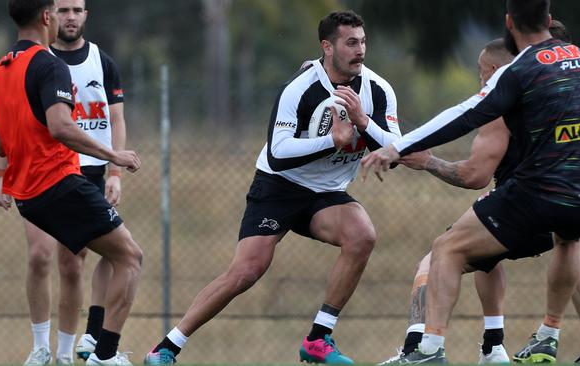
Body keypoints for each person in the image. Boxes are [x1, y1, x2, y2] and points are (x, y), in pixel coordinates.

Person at [361, 0, 580, 363]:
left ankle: (429, 350)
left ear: (509, 23)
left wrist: (398, 147)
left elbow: (465, 115)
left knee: (448, 249)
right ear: (549, 20)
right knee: (568, 242)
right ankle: (551, 335)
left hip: (539, 194)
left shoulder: (520, 69)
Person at [143, 10, 401, 365]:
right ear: (327, 47)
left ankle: (318, 338)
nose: (360, 50)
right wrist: (331, 141)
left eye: (363, 41)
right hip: (279, 186)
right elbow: (278, 154)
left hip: (325, 195)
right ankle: (166, 348)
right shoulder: (300, 89)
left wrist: (362, 122)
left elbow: (396, 149)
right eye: (351, 43)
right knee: (246, 272)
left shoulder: (378, 90)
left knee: (362, 235)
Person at [0, 1, 142, 365]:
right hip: (58, 184)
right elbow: (61, 127)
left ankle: (73, 349)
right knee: (130, 258)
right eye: (59, 12)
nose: (65, 18)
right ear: (46, 17)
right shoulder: (49, 64)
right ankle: (104, 355)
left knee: (87, 260)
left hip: (28, 194)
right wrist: (114, 156)